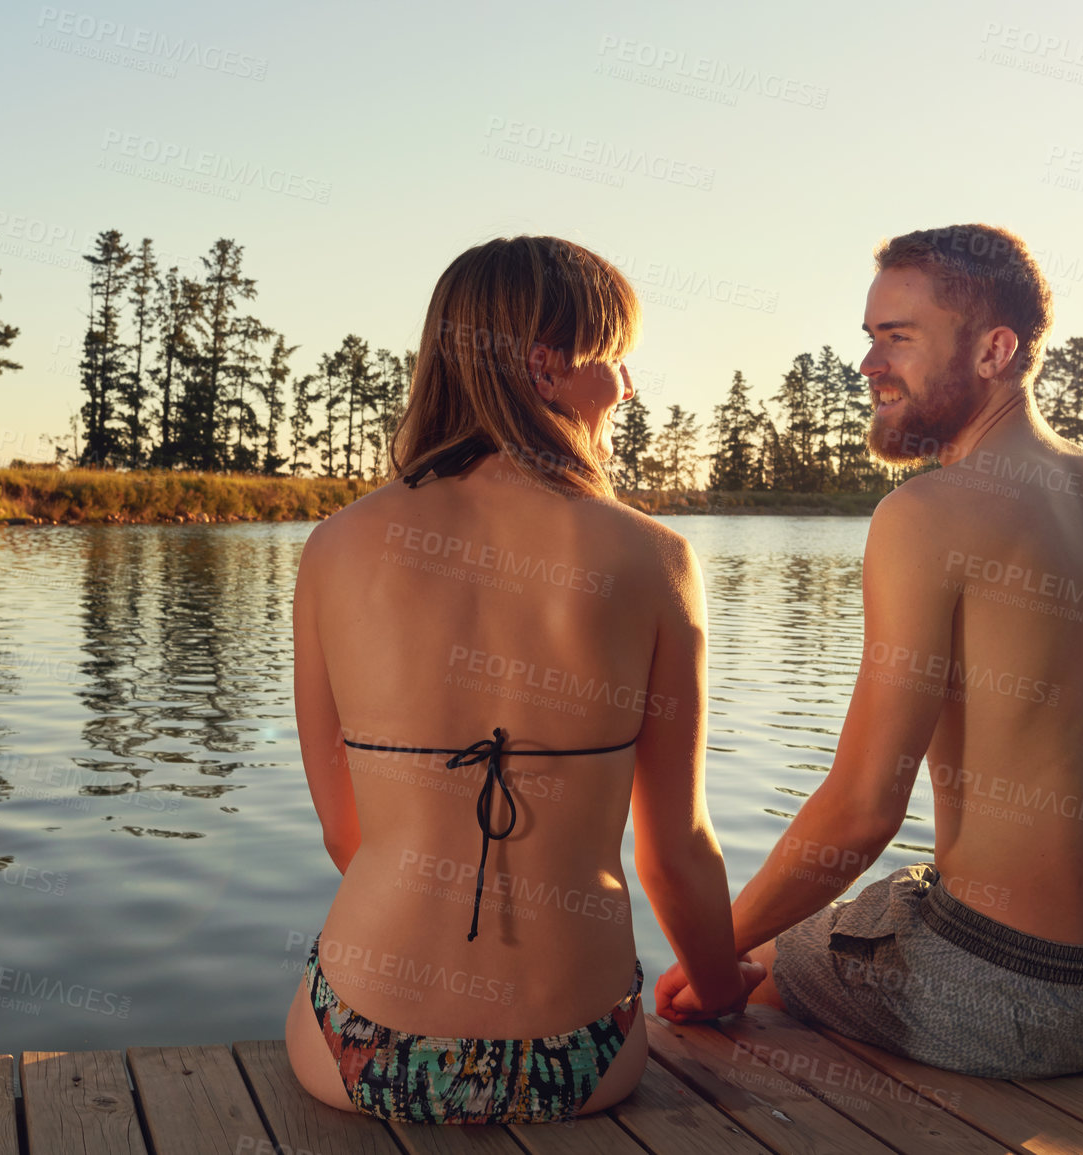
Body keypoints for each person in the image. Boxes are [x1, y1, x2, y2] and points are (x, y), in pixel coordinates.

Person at [657, 223, 1083, 1080]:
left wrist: (712, 957)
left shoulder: (930, 512)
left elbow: (863, 809)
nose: (868, 364)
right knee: (894, 898)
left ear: (994, 350)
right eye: (869, 337)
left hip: (1010, 996)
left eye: (898, 338)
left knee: (728, 986)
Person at [286, 235, 760, 1124]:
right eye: (614, 360)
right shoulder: (652, 557)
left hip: (359, 1041)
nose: (625, 386)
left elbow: (347, 834)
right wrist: (720, 984)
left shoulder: (337, 545)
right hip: (582, 1053)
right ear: (544, 367)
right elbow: (675, 848)